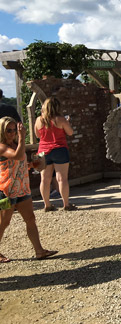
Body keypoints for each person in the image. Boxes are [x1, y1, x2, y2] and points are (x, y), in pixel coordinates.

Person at [0, 117, 58, 262]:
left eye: (14, 130)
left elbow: (20, 162)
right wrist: (22, 137)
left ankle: (39, 251)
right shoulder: (2, 147)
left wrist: (32, 165)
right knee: (3, 222)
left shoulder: (15, 144)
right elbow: (17, 156)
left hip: (22, 189)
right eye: (9, 130)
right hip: (6, 191)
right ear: (2, 131)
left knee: (30, 219)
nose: (12, 133)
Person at [35, 97, 75, 211]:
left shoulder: (39, 120)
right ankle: (66, 204)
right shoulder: (61, 119)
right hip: (59, 149)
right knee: (62, 179)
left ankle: (47, 205)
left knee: (44, 179)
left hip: (43, 152)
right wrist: (68, 122)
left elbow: (38, 135)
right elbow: (70, 132)